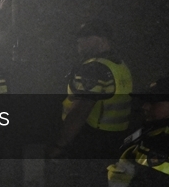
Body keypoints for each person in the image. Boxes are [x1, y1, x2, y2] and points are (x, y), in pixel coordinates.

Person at [53, 20, 133, 158]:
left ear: (102, 40)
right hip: (115, 139)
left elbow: (80, 112)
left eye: (85, 36)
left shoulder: (94, 69)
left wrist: (59, 145)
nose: (79, 40)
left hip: (90, 139)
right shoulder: (118, 64)